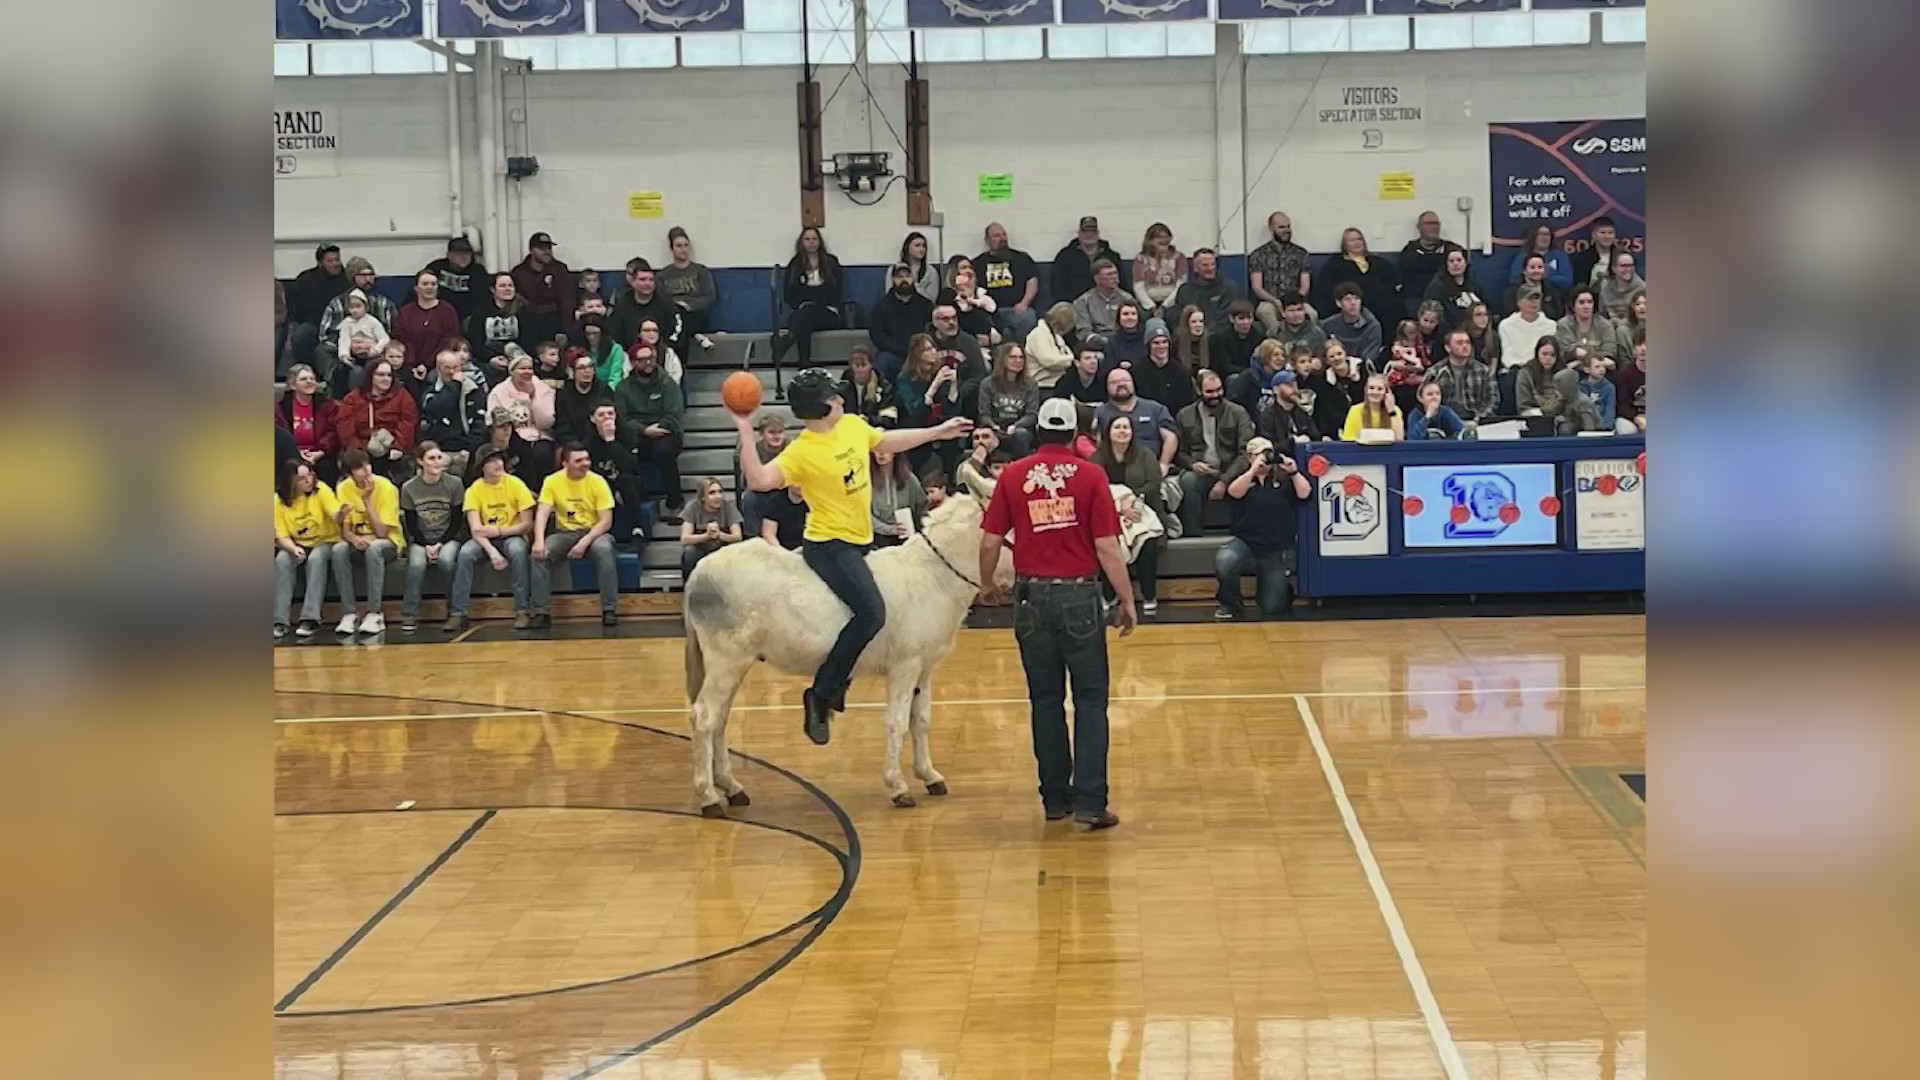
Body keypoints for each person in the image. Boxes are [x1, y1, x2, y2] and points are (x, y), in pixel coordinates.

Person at [734, 368, 973, 744]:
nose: (842, 400)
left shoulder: (850, 425)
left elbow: (886, 441)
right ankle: (822, 693)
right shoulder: (801, 451)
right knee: (872, 612)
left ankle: (839, 675)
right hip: (828, 547)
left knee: (874, 613)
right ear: (823, 405)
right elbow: (760, 481)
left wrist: (936, 432)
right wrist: (745, 429)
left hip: (862, 541)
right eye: (835, 397)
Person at [978, 396, 1134, 830]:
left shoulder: (1012, 474)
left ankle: (1054, 799)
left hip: (1030, 599)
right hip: (1079, 597)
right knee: (1089, 701)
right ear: (1074, 434)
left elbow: (990, 541)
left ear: (1039, 431)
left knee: (1045, 702)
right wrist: (1126, 598)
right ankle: (1090, 801)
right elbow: (1106, 546)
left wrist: (988, 585)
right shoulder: (1091, 475)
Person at [1215, 436, 1310, 621]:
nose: (1266, 459)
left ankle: (1282, 587)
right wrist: (1252, 471)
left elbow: (1305, 494)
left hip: (1276, 547)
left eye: (1268, 454)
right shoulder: (1242, 478)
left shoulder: (1283, 478)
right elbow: (1234, 492)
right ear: (1250, 457)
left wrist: (1294, 472)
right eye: (1260, 455)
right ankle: (1230, 605)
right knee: (1225, 560)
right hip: (1247, 543)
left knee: (1272, 607)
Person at [529, 443, 620, 629]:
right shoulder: (552, 481)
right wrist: (538, 541)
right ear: (565, 464)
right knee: (539, 554)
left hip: (594, 532)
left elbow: (606, 522)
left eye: (587, 459)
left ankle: (609, 609)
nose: (585, 463)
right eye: (578, 461)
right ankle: (541, 612)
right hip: (565, 532)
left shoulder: (597, 481)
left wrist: (583, 543)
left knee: (604, 549)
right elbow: (542, 513)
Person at [1091, 414, 1166, 617]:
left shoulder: (1145, 454)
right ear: (1108, 432)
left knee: (1148, 541)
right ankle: (1109, 595)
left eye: (1126, 427)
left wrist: (1132, 500)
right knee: (1108, 541)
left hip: (1141, 510)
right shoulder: (1097, 457)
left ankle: (1149, 595)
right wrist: (1118, 505)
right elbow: (1094, 489)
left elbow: (1154, 484)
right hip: (1108, 511)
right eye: (1117, 427)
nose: (1123, 431)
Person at [456, 447, 535, 631]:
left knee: (517, 551)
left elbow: (527, 525)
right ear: (482, 466)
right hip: (484, 538)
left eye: (500, 460)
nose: (498, 464)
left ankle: (522, 610)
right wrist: (492, 552)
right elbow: (475, 529)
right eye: (492, 461)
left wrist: (499, 531)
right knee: (465, 553)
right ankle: (459, 612)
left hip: (511, 534)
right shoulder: (474, 490)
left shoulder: (515, 484)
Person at [330, 448, 405, 638]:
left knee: (374, 548)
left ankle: (375, 613)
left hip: (388, 543)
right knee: (339, 549)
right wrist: (354, 539)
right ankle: (349, 613)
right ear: (349, 473)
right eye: (359, 468)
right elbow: (345, 529)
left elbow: (382, 532)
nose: (366, 470)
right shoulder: (343, 488)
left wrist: (367, 500)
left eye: (367, 464)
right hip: (360, 541)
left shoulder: (386, 487)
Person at [1174, 368, 1255, 537]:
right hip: (1202, 471)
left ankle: (1240, 533)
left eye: (1219, 390)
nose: (1215, 395)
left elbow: (1245, 453)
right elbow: (1179, 452)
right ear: (1199, 391)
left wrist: (1224, 481)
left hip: (1231, 469)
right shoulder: (1184, 415)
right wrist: (1192, 464)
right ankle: (1193, 534)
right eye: (1209, 392)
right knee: (1188, 481)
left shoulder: (1238, 413)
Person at [397, 442, 467, 633]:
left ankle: (456, 611)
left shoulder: (454, 484)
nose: (437, 462)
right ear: (421, 462)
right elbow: (411, 524)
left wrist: (440, 543)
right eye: (431, 458)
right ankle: (410, 614)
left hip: (448, 537)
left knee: (446, 560)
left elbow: (456, 521)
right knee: (417, 565)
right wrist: (427, 544)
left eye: (439, 457)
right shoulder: (409, 488)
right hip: (421, 539)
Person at [614, 343, 686, 524]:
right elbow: (622, 418)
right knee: (621, 451)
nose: (648, 362)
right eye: (642, 359)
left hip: (666, 433)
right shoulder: (623, 388)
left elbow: (674, 414)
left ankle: (675, 502)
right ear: (633, 363)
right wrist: (644, 430)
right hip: (636, 434)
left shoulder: (667, 383)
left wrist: (657, 428)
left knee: (663, 451)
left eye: (651, 358)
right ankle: (640, 501)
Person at [273, 458, 341, 640]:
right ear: (291, 481)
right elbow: (281, 536)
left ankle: (310, 618)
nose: (308, 480)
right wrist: (293, 548)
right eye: (302, 478)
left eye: (310, 475)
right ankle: (280, 621)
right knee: (282, 560)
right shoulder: (278, 501)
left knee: (316, 558)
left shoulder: (322, 490)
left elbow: (335, 512)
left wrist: (340, 515)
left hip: (325, 541)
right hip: (297, 543)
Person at [892, 333, 968, 481]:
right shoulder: (905, 378)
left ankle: (950, 483)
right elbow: (916, 413)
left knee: (953, 436)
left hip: (940, 426)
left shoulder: (940, 371)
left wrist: (953, 386)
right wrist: (934, 386)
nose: (933, 351)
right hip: (915, 427)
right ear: (917, 354)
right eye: (927, 349)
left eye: (933, 347)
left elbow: (952, 412)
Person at [772, 226, 844, 375]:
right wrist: (806, 301)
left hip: (828, 313)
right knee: (805, 316)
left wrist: (813, 299)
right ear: (801, 242)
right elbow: (789, 295)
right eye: (807, 239)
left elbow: (837, 292)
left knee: (806, 313)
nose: (811, 242)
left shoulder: (831, 262)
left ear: (820, 241)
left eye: (814, 239)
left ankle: (789, 341)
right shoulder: (795, 264)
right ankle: (804, 361)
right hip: (804, 313)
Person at [335, 358, 418, 477]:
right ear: (370, 376)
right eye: (381, 375)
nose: (386, 379)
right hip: (363, 448)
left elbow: (408, 422)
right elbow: (344, 426)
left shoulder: (402, 396)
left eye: (389, 375)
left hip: (392, 448)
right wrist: (358, 449)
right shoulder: (353, 398)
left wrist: (398, 446)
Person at [487, 350, 558, 488]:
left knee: (542, 453)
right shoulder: (498, 392)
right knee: (522, 453)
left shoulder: (543, 389)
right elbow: (493, 420)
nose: (527, 372)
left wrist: (532, 398)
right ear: (512, 371)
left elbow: (547, 421)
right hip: (511, 435)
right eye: (522, 368)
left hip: (541, 435)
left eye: (530, 368)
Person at [583, 403, 648, 549]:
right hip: (604, 487)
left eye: (610, 413)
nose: (606, 417)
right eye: (601, 414)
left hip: (630, 485)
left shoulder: (627, 434)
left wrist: (611, 440)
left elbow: (631, 467)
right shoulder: (588, 443)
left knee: (627, 480)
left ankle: (637, 532)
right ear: (592, 419)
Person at [1093, 367, 1179, 475]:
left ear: (1133, 383)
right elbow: (1096, 442)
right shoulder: (1100, 412)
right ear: (1107, 387)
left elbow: (1171, 437)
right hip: (1113, 469)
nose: (1120, 384)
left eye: (1125, 380)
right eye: (1114, 382)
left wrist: (1164, 464)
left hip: (1150, 467)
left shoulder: (1155, 408)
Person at [418, 347, 489, 473]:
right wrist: (454, 385)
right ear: (438, 369)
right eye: (447, 367)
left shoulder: (473, 390)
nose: (452, 372)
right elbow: (435, 409)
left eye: (456, 367)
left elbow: (479, 424)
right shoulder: (431, 390)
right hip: (439, 449)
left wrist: (469, 449)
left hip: (466, 449)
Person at [1317, 228, 1400, 329]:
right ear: (1345, 244)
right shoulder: (1336, 263)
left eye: (1359, 239)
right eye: (1352, 240)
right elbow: (1325, 286)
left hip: (1379, 302)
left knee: (1394, 305)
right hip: (1352, 302)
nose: (1357, 243)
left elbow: (1393, 282)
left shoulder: (1378, 261)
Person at [285, 244, 350, 371]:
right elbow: (294, 305)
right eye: (330, 261)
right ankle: (307, 372)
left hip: (340, 325)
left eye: (337, 259)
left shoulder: (347, 278)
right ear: (320, 263)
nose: (335, 264)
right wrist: (293, 323)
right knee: (300, 335)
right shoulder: (306, 279)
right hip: (314, 324)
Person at [608, 257, 686, 362]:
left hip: (661, 357)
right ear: (633, 282)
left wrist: (664, 349)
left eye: (651, 280)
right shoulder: (622, 304)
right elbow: (614, 332)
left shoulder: (666, 304)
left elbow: (676, 329)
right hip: (629, 357)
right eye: (642, 279)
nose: (647, 283)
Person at [1247, 212, 1313, 334]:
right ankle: (1278, 343)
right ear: (1271, 228)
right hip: (1269, 301)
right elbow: (1257, 287)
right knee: (1264, 311)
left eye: (1288, 226)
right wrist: (1276, 302)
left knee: (1312, 314)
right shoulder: (1259, 254)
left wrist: (1295, 302)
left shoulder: (1301, 253)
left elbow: (1305, 285)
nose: (1286, 230)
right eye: (1281, 227)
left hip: (1295, 301)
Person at [275, 364, 341, 484]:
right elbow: (279, 433)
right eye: (303, 379)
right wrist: (296, 452)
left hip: (321, 455)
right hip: (291, 455)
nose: (309, 382)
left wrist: (320, 453)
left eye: (312, 379)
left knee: (326, 468)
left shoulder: (327, 405)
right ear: (293, 385)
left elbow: (334, 432)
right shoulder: (281, 407)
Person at [975, 222, 1040, 342]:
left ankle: (1017, 351)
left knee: (1029, 317)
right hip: (990, 312)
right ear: (987, 240)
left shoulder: (1021, 258)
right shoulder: (978, 263)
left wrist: (1024, 303)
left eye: (1004, 235)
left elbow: (1032, 281)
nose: (1002, 238)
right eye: (997, 235)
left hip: (1016, 309)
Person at [510, 231, 576, 348]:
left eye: (549, 247)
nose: (546, 251)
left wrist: (565, 330)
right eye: (541, 248)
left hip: (553, 322)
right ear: (531, 250)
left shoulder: (559, 269)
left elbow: (567, 301)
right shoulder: (519, 272)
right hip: (528, 325)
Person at [869, 262, 933, 382]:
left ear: (913, 278)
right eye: (899, 277)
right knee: (883, 362)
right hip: (892, 354)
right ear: (893, 279)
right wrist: (897, 349)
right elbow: (876, 334)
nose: (904, 280)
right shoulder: (882, 305)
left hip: (919, 354)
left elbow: (931, 331)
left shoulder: (926, 305)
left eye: (907, 276)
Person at [392, 270, 461, 379]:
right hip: (409, 365)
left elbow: (449, 341)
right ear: (416, 288)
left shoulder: (447, 311)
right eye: (425, 284)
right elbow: (401, 340)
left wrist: (427, 364)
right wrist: (413, 364)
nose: (430, 287)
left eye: (433, 284)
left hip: (439, 365)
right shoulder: (405, 312)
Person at [977, 342, 1040, 457]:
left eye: (1021, 358)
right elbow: (984, 414)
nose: (1018, 361)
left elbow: (1031, 415)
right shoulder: (987, 383)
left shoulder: (1031, 384)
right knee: (984, 435)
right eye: (1013, 357)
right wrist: (993, 426)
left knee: (1021, 434)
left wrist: (1016, 426)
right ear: (1003, 359)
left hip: (1020, 429)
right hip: (994, 427)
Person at [660, 226, 718, 348]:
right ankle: (696, 336)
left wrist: (688, 305)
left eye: (686, 245)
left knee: (683, 322)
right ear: (672, 248)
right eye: (679, 246)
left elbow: (709, 297)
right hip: (672, 315)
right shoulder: (663, 274)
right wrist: (676, 306)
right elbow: (660, 299)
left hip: (695, 314)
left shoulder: (700, 271)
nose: (683, 249)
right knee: (676, 318)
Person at [1424, 329, 1498, 423]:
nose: (1465, 346)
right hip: (1444, 422)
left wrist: (1480, 418)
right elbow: (1426, 401)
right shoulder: (1435, 372)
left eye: (1467, 342)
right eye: (1459, 343)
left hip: (1477, 421)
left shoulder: (1483, 370)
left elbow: (1493, 399)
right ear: (1448, 348)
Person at [1051, 215, 1128, 304]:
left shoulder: (1112, 256)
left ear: (1098, 233)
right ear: (1079, 233)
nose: (1089, 235)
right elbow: (1057, 286)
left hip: (1107, 302)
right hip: (1074, 304)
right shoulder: (1065, 256)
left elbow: (1122, 284)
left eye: (1093, 231)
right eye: (1085, 231)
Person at [468, 272, 531, 382]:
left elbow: (530, 339)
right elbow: (475, 341)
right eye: (502, 286)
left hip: (518, 357)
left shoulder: (524, 310)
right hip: (488, 359)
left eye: (510, 286)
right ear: (493, 290)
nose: (507, 289)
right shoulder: (481, 311)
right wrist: (491, 358)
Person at [678, 477, 743, 580]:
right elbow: (685, 539)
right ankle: (690, 589)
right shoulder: (692, 507)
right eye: (712, 493)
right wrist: (707, 536)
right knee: (690, 553)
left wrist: (719, 535)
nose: (718, 496)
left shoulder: (728, 507)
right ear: (702, 497)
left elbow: (737, 537)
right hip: (700, 549)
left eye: (720, 492)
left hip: (722, 548)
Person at [1173, 248, 1245, 335]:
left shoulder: (1229, 288)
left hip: (1218, 336)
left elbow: (1225, 320)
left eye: (1213, 264)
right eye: (1205, 265)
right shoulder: (1184, 290)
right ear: (1195, 268)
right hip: (1190, 335)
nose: (1210, 268)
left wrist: (1206, 334)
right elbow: (1180, 316)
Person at [332, 288, 391, 390]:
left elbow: (384, 338)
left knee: (371, 369)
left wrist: (376, 349)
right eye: (351, 307)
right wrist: (344, 354)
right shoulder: (347, 323)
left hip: (372, 356)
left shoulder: (372, 321)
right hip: (354, 357)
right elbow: (344, 340)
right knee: (350, 371)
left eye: (358, 306)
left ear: (366, 307)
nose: (355, 310)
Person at [868, 447, 927, 548]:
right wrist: (887, 529)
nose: (881, 453)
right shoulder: (866, 479)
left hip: (906, 535)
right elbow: (862, 513)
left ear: (895, 452)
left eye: (886, 449)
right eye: (876, 449)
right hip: (876, 537)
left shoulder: (909, 479)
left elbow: (922, 506)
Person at [1132, 323, 1195, 418]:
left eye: (1164, 342)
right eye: (1156, 343)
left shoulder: (1181, 371)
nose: (1161, 346)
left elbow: (1187, 403)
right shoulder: (1137, 371)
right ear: (1149, 346)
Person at [552, 351, 615, 446]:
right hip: (572, 442)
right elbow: (562, 425)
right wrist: (574, 444)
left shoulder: (604, 390)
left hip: (599, 440)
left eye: (590, 367)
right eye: (582, 368)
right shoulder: (563, 393)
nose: (587, 371)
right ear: (573, 372)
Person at [1499, 284, 1559, 377]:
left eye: (1537, 298)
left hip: (1543, 370)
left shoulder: (1551, 325)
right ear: (1519, 302)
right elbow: (1507, 355)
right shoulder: (1506, 325)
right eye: (1529, 298)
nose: (1534, 302)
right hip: (1516, 370)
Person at [424, 236, 489, 323]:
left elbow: (483, 300)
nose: (463, 257)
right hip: (438, 315)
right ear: (449, 255)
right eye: (458, 253)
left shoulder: (478, 271)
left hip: (468, 317)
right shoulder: (437, 267)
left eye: (467, 253)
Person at [1131, 222, 1187, 322]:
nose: (1164, 241)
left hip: (1171, 302)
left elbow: (1181, 284)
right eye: (1160, 240)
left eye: (1166, 239)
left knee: (1175, 316)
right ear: (1150, 241)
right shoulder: (1141, 259)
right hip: (1148, 302)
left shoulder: (1179, 257)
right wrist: (1150, 306)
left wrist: (1165, 306)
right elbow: (1138, 286)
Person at [1398, 210, 1454, 310]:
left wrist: (1425, 261)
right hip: (1417, 298)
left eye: (1436, 223)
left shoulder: (1451, 247)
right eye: (1428, 224)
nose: (1433, 227)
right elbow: (1410, 264)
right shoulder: (1410, 249)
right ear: (1419, 227)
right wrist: (1440, 261)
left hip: (1446, 296)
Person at [1311, 341, 1366, 436]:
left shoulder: (1363, 370)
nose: (1336, 358)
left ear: (1346, 354)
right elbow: (1327, 411)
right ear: (1327, 361)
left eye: (1339, 354)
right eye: (1331, 356)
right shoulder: (1325, 381)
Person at [1422, 246, 1484, 329]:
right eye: (1451, 261)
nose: (1455, 264)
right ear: (1446, 264)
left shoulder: (1473, 284)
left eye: (1459, 260)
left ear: (1466, 262)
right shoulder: (1437, 287)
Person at [938, 260, 998, 346]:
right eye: (963, 268)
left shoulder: (983, 294)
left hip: (990, 344)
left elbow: (996, 320)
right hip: (962, 343)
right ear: (954, 274)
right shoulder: (948, 295)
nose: (969, 270)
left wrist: (992, 337)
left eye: (971, 268)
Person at [1321, 283, 1383, 364]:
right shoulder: (1328, 325)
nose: (1353, 303)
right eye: (1348, 299)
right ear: (1338, 303)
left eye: (1356, 299)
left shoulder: (1373, 326)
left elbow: (1370, 357)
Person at [1556, 286, 1617, 366]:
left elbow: (1609, 352)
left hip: (1601, 368)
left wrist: (1587, 358)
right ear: (1573, 306)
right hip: (1574, 369)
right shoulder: (1564, 324)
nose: (1586, 306)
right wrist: (1595, 357)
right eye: (1581, 302)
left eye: (1590, 302)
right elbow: (1568, 351)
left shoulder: (1605, 325)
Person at [1259, 369, 1321, 446]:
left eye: (1296, 385)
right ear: (1276, 389)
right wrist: (1292, 442)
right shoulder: (1267, 416)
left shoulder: (1302, 413)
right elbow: (1268, 446)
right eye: (1289, 385)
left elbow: (1316, 437)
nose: (1295, 389)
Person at [1072, 259, 1131, 339]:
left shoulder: (1127, 298)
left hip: (1122, 341)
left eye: (1115, 273)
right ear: (1096, 278)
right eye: (1109, 274)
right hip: (1096, 343)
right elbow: (1084, 331)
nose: (1114, 277)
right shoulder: (1083, 301)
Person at [1026, 303, 1078, 390]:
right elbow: (1049, 360)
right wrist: (1073, 360)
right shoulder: (1038, 334)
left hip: (1058, 383)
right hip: (1041, 385)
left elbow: (1067, 354)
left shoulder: (1056, 336)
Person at [1507, 224, 1575, 290]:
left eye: (1547, 234)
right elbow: (1514, 279)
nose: (1544, 237)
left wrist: (1541, 277)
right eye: (1540, 234)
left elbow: (1567, 280)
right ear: (1533, 237)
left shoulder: (1560, 255)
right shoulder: (1523, 257)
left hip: (1554, 294)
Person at [1499, 253, 1566, 320]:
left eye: (1540, 267)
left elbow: (1558, 314)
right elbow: (1509, 315)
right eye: (1532, 267)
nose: (1536, 270)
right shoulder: (1512, 292)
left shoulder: (1551, 290)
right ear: (1524, 270)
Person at [1208, 300, 1264, 380]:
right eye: (1241, 318)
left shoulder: (1260, 338)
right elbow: (1224, 367)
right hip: (1229, 378)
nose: (1246, 322)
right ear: (1231, 318)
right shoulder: (1219, 339)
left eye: (1249, 318)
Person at [1340, 374, 1404, 441]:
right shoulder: (1355, 410)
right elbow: (1348, 439)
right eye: (1371, 388)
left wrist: (1391, 411)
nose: (1375, 392)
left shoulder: (1395, 410)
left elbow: (1399, 438)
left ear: (1386, 392)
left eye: (1380, 389)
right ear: (1366, 390)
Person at [839, 345, 892, 425]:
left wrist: (868, 420)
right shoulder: (842, 387)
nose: (860, 369)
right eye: (857, 365)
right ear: (851, 367)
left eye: (864, 365)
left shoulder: (885, 387)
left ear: (871, 365)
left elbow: (889, 419)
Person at [1051, 336, 1109, 407]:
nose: (1093, 361)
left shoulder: (1105, 381)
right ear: (1077, 363)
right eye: (1087, 358)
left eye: (1095, 358)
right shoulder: (1064, 384)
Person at [1270, 292, 1328, 362]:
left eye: (1299, 310)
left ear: (1304, 311)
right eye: (1291, 310)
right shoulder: (1274, 333)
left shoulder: (1318, 334)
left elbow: (1324, 360)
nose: (1296, 314)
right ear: (1283, 313)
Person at [1570, 216, 1626, 287]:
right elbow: (1579, 286)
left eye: (1610, 233)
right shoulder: (1582, 258)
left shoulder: (1622, 256)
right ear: (1593, 235)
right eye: (1602, 232)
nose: (1607, 236)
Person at [579, 312, 627, 389]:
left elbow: (615, 377)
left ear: (602, 333)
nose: (591, 337)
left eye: (595, 333)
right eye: (588, 334)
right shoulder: (580, 349)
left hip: (608, 391)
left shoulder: (615, 349)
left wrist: (605, 393)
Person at [1598, 251, 1646, 322]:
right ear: (1614, 268)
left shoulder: (1643, 289)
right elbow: (1602, 316)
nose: (1628, 269)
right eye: (1624, 266)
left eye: (1631, 265)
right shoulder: (1605, 290)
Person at [757, 485, 810, 550]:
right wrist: (782, 552)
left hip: (808, 551)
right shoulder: (776, 501)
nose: (800, 485)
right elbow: (768, 534)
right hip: (781, 551)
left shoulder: (817, 501)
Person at [634, 317, 685, 385]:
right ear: (639, 333)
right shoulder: (631, 353)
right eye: (647, 330)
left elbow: (676, 375)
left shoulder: (669, 353)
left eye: (655, 330)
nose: (652, 333)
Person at [1171, 304, 1212, 382]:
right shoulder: (1177, 342)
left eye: (1201, 321)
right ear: (1186, 324)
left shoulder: (1210, 340)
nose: (1198, 325)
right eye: (1194, 322)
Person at [1614, 336, 1648, 431]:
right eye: (1639, 345)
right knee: (1625, 427)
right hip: (1632, 417)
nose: (1643, 348)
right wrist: (1637, 418)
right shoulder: (1624, 374)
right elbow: (1622, 406)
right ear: (1634, 350)